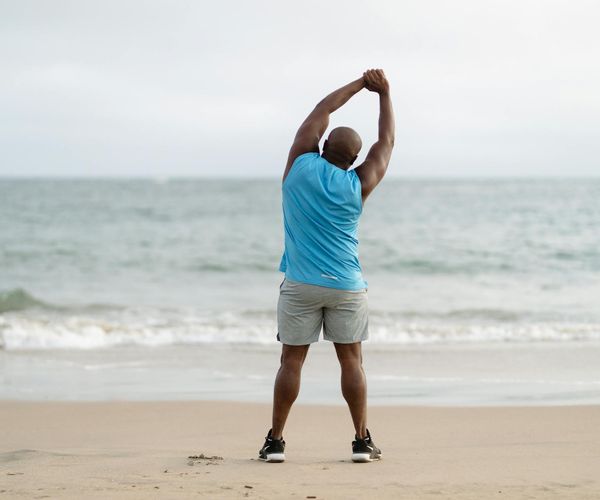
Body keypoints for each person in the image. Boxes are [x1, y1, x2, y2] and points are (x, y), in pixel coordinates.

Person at [258, 69, 395, 463]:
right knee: (351, 361)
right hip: (347, 286)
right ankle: (361, 441)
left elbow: (322, 109)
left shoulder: (299, 166)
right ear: (353, 159)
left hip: (300, 284)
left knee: (291, 361)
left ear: (322, 145)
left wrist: (358, 84)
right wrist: (384, 94)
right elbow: (386, 142)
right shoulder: (359, 184)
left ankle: (276, 442)